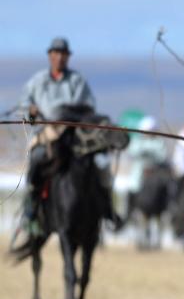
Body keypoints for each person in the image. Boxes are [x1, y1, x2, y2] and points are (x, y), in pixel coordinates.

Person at [15, 37, 120, 242]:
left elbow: (90, 106)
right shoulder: (37, 81)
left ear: (68, 57)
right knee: (36, 158)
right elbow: (24, 105)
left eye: (64, 54)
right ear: (50, 56)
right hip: (50, 133)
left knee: (101, 163)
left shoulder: (77, 81)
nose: (60, 57)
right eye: (56, 53)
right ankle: (32, 210)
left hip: (76, 135)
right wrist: (31, 110)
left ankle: (107, 210)